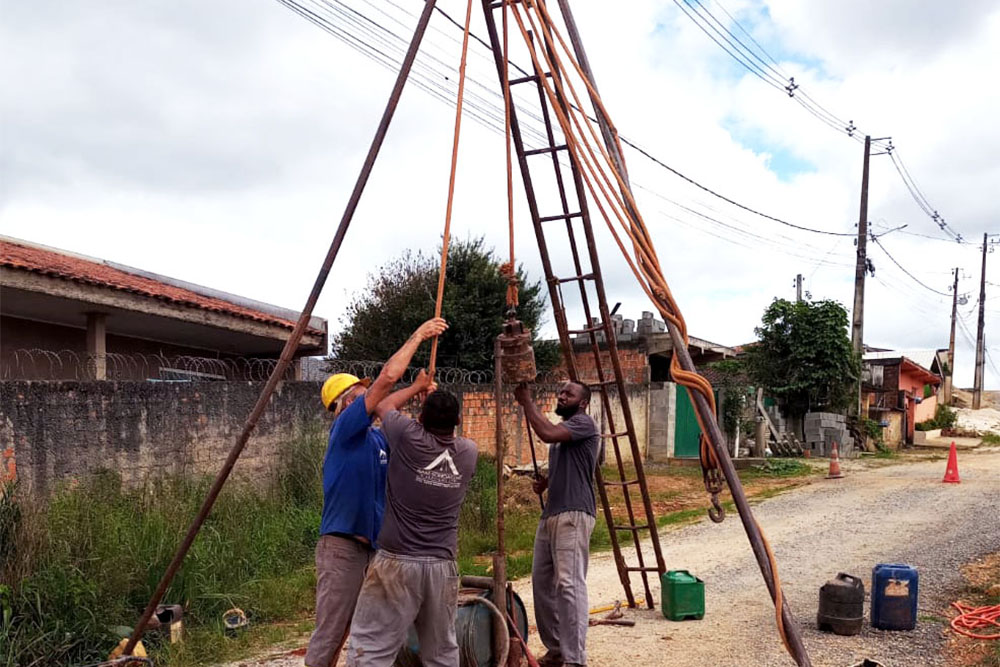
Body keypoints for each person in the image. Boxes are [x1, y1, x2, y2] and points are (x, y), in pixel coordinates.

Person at [305, 318, 448, 667]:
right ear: (339, 407)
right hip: (343, 548)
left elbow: (390, 408)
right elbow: (385, 382)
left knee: (371, 631)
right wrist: (418, 335)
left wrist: (418, 389)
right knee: (332, 632)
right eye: (356, 395)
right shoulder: (345, 430)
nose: (365, 398)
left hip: (376, 550)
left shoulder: (374, 437)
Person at [346, 377, 479, 667]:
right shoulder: (468, 453)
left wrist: (418, 388)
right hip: (442, 566)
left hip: (396, 562)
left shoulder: (407, 436)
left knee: (372, 647)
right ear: (458, 419)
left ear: (419, 418)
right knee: (442, 651)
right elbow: (448, 437)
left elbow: (382, 403)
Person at [514, 380, 599, 667]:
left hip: (574, 514)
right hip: (552, 513)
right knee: (542, 584)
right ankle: (557, 649)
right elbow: (573, 461)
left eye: (569, 394)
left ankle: (575, 660)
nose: (562, 396)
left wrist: (527, 402)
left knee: (569, 584)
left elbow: (547, 433)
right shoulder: (569, 430)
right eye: (561, 392)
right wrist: (547, 482)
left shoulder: (584, 423)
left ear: (582, 402)